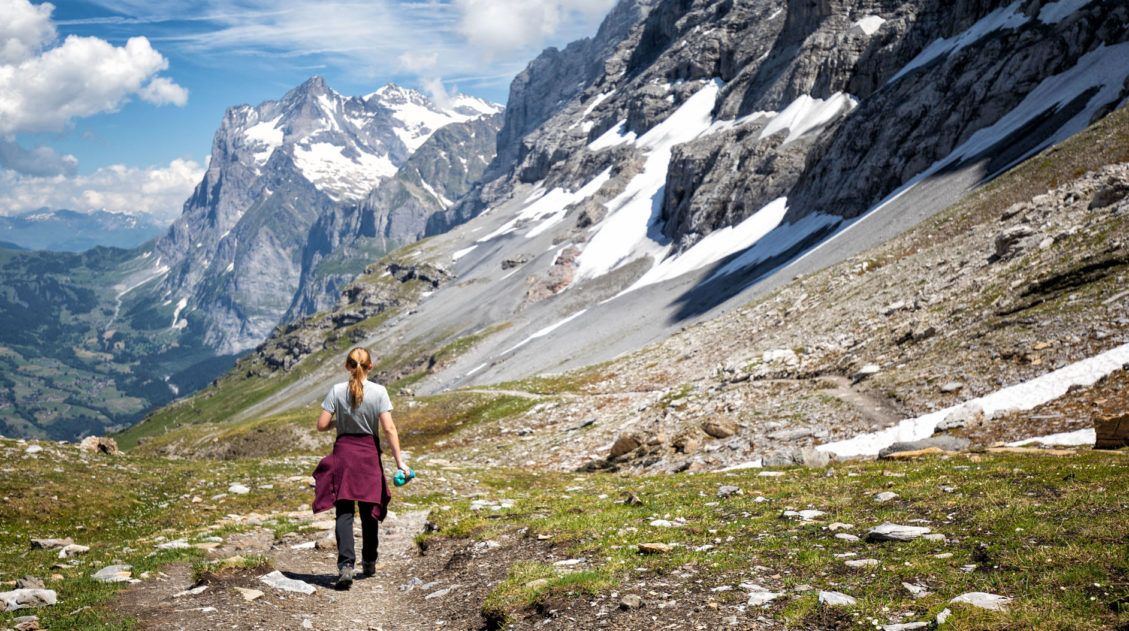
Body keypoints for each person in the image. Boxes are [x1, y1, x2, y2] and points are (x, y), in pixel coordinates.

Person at [311, 347, 408, 590]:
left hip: (344, 453)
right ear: (370, 366)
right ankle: (370, 561)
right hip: (368, 455)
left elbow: (321, 425)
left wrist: (339, 422)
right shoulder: (379, 392)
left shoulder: (336, 390)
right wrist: (400, 462)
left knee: (344, 512)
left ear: (347, 366)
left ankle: (346, 565)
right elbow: (389, 429)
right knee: (369, 510)